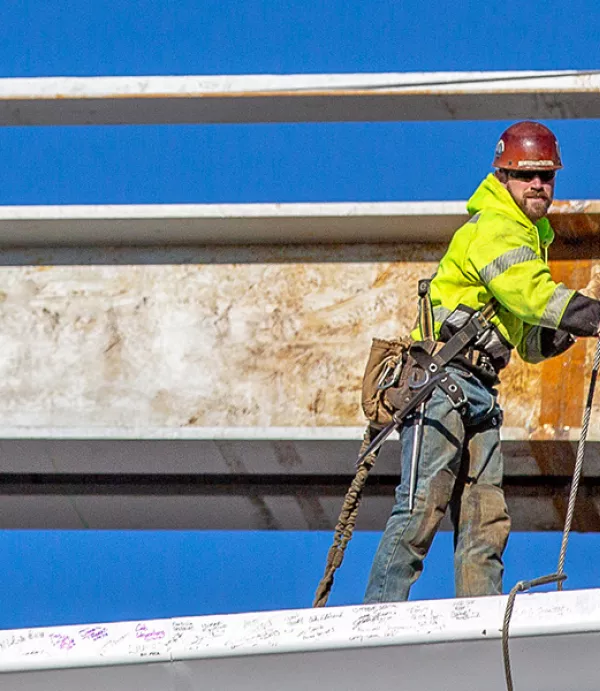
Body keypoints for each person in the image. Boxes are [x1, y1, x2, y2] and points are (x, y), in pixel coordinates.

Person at [363, 120, 600, 603]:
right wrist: (588, 314)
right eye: (526, 175)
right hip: (442, 382)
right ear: (503, 177)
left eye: (546, 176)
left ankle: (482, 624)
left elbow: (529, 340)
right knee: (419, 507)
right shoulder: (495, 228)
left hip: (479, 390)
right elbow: (532, 294)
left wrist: (566, 332)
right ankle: (375, 622)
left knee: (485, 521)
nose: (539, 185)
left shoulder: (530, 240)